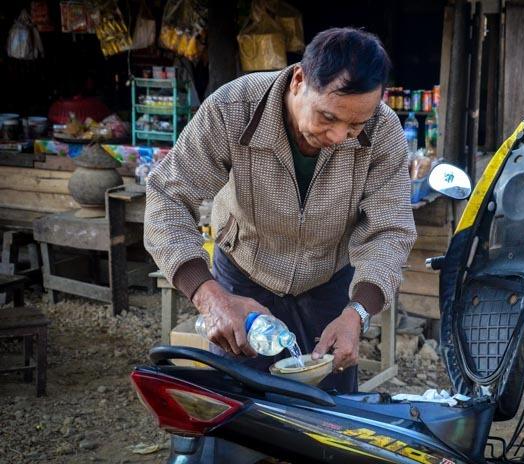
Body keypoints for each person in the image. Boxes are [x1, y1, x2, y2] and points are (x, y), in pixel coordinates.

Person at [144, 27, 416, 394]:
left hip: (329, 284)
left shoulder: (383, 130)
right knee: (237, 411)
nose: (338, 137)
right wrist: (208, 296)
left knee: (327, 421)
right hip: (242, 278)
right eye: (327, 117)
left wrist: (358, 313)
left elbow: (390, 230)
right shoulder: (233, 109)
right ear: (299, 80)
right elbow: (167, 197)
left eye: (355, 125)